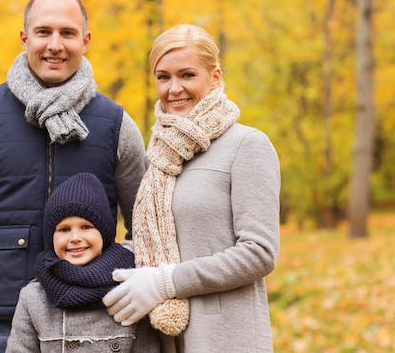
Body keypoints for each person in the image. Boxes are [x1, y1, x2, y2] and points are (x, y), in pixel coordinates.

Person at [0, 0, 147, 353]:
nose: (55, 44)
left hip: (95, 325)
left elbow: (149, 224)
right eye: (44, 32)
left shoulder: (116, 124)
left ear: (86, 41)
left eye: (67, 33)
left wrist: (124, 279)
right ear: (24, 38)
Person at [102, 24, 281, 352]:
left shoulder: (247, 145)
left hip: (226, 338)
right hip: (162, 337)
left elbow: (260, 252)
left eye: (187, 75)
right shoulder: (157, 155)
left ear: (214, 77)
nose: (173, 89)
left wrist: (167, 281)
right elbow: (150, 237)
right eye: (163, 77)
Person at [5, 172, 159, 352]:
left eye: (86, 227)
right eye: (64, 229)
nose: (75, 238)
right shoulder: (33, 298)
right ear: (51, 238)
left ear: (104, 233)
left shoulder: (131, 289)